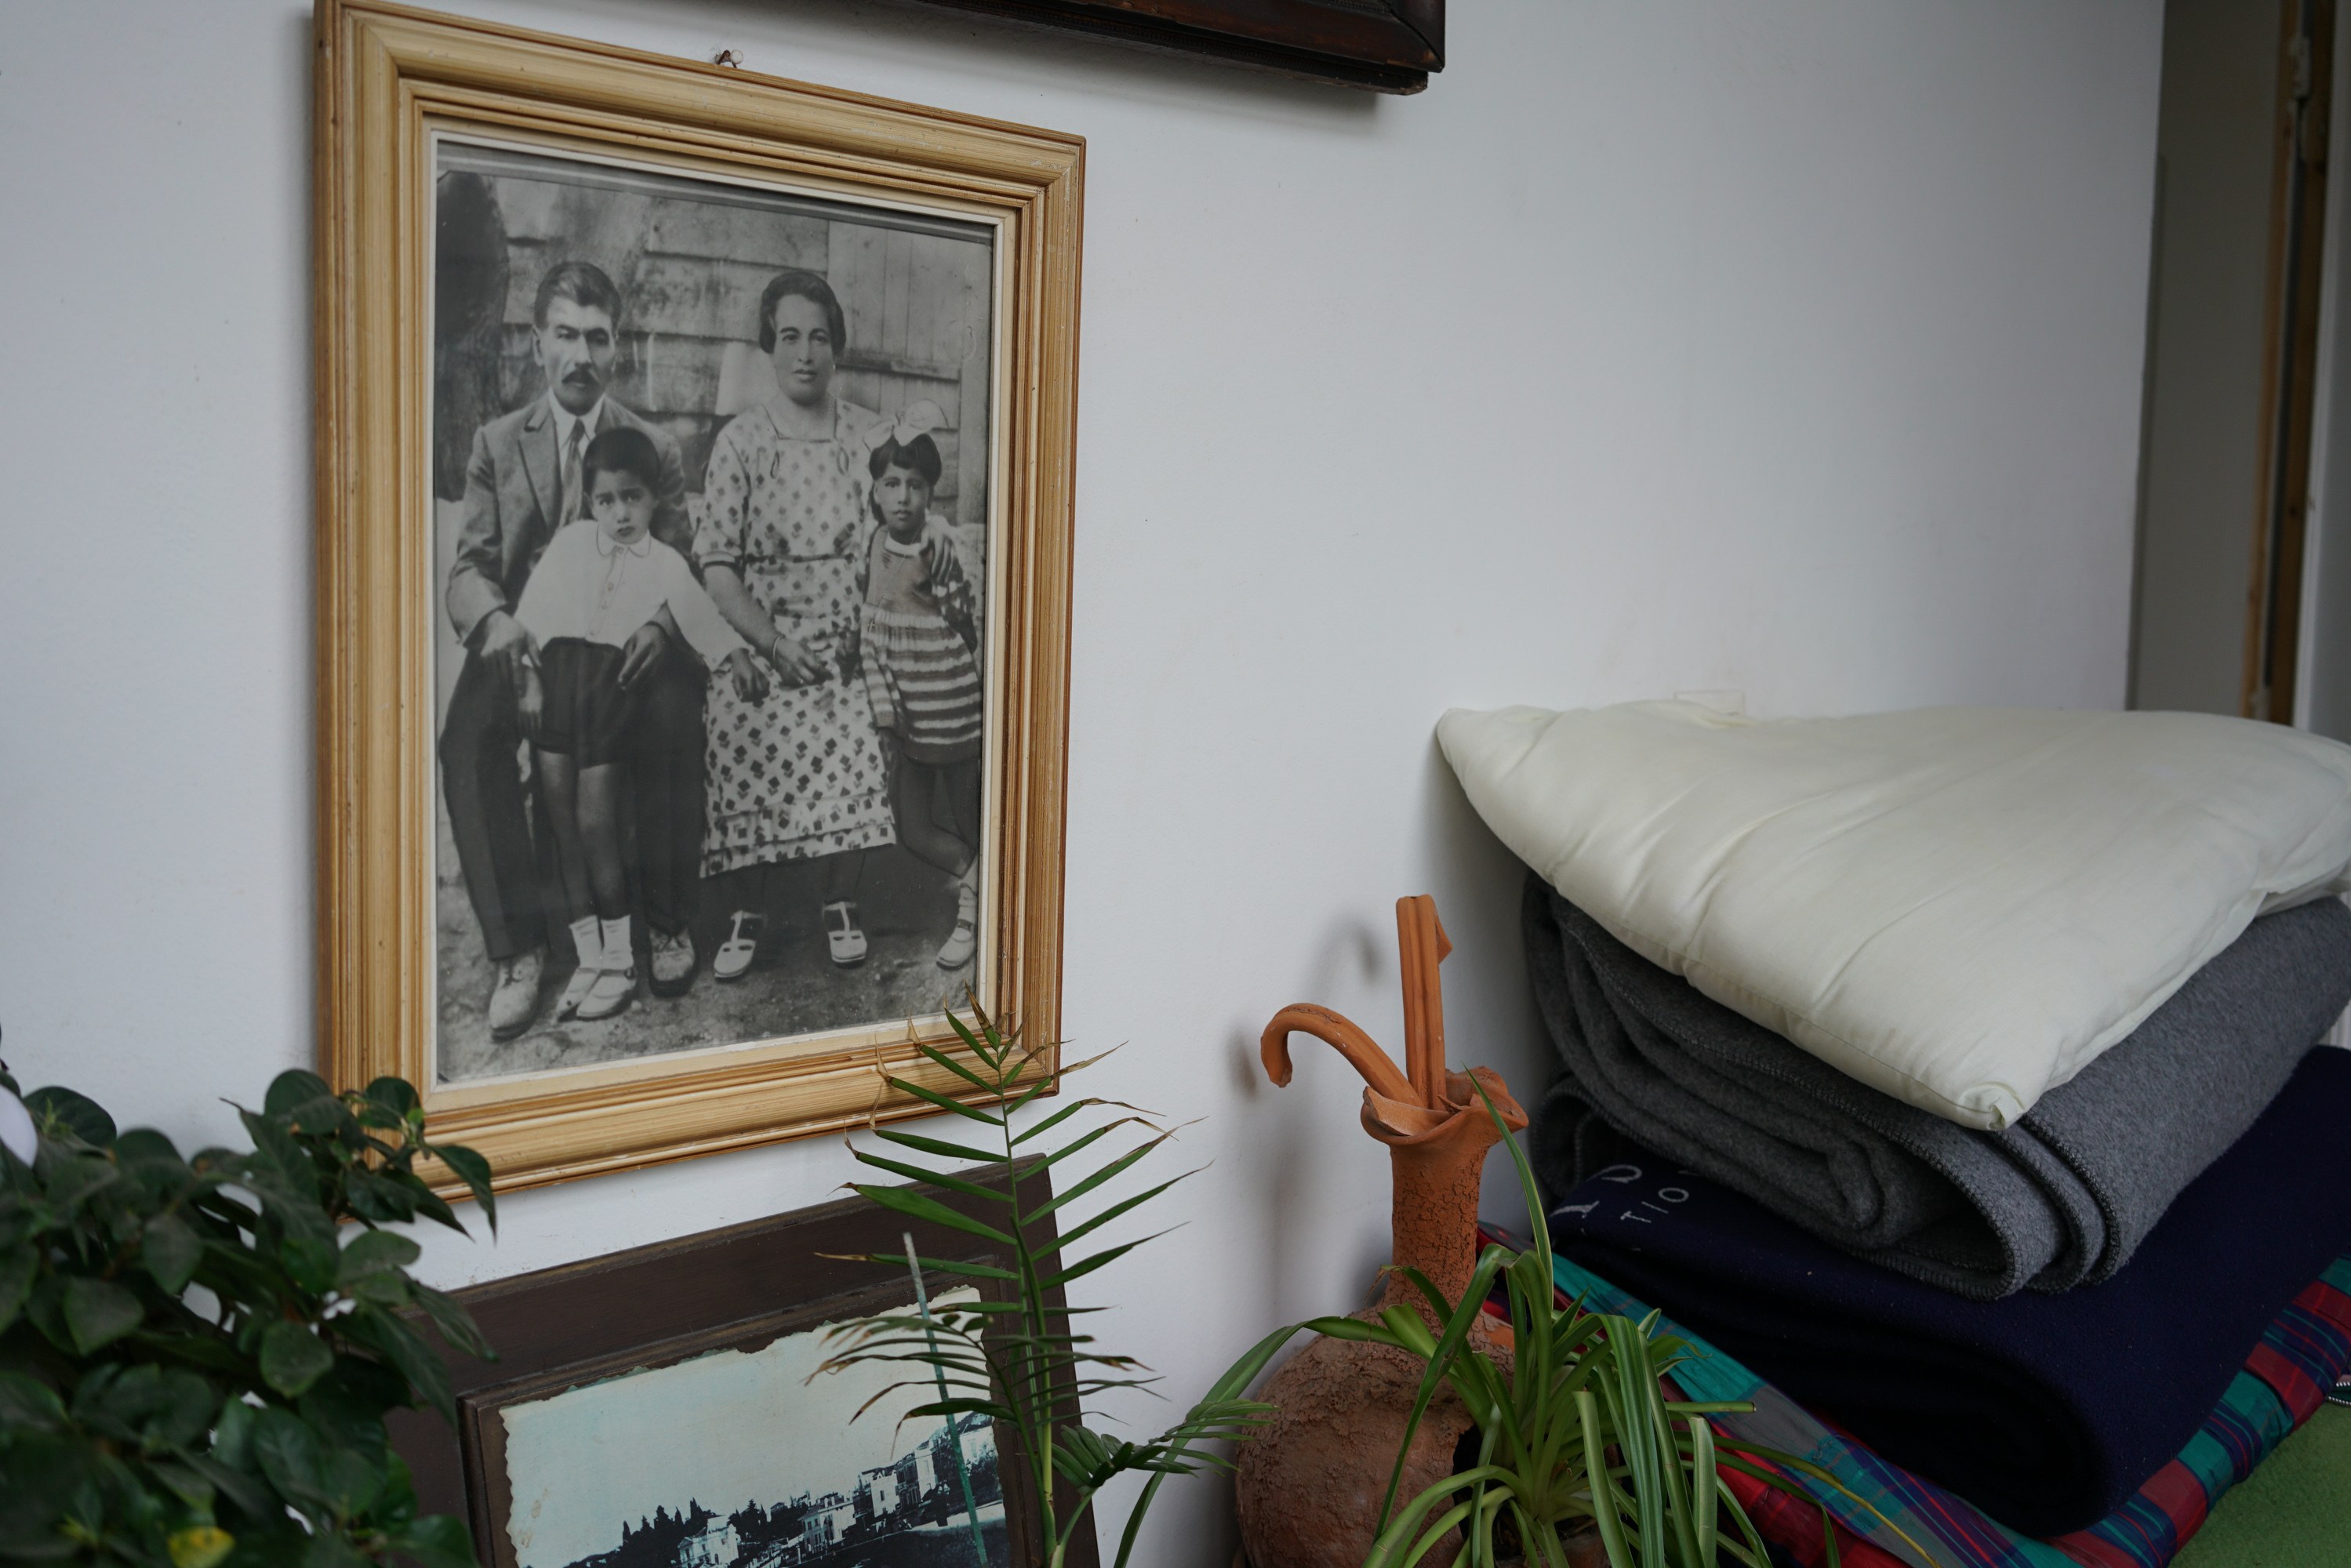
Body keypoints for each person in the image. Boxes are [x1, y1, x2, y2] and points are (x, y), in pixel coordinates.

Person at [441, 261, 707, 1041]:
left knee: (675, 710)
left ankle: (666, 921)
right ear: (538, 344)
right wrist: (497, 625)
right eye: (566, 336)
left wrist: (661, 626)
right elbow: (468, 569)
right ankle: (518, 948)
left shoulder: (652, 447)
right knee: (466, 738)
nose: (581, 356)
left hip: (621, 647)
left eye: (597, 338)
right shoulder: (497, 444)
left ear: (617, 347)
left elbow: (684, 563)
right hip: (528, 645)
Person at [513, 429, 772, 1022]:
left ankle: (621, 961)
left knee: (594, 821)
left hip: (607, 691)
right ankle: (589, 958)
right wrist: (528, 679)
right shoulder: (572, 545)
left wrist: (736, 656)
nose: (620, 514)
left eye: (632, 498)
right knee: (560, 821)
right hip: (557, 683)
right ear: (590, 502)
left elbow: (702, 618)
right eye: (606, 501)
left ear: (655, 497)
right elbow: (532, 616)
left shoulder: (665, 564)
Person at [694, 269, 898, 978]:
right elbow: (717, 567)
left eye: (818, 337)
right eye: (789, 337)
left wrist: (862, 634)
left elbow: (890, 543)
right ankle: (748, 909)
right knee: (739, 716)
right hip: (766, 638)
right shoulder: (742, 442)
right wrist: (772, 645)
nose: (805, 353)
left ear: (836, 347)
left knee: (858, 713)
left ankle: (840, 901)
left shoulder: (867, 439)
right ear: (769, 347)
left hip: (848, 637)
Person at [859, 410, 985, 969]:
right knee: (911, 826)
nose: (903, 497)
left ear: (930, 492)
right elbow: (872, 626)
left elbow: (965, 620)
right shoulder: (873, 544)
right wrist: (886, 708)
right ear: (875, 491)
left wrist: (950, 571)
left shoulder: (938, 544)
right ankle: (978, 880)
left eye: (915, 485)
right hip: (909, 711)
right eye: (891, 484)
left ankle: (974, 915)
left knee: (971, 815)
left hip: (950, 705)